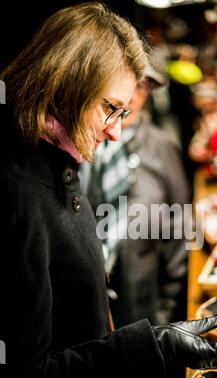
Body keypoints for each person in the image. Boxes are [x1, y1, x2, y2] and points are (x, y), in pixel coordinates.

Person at [0, 2, 217, 378]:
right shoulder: (20, 193)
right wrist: (154, 345)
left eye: (124, 112)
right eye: (110, 108)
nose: (117, 132)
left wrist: (158, 337)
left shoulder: (59, 159)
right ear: (67, 84)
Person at [80, 62, 189, 328]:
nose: (129, 97)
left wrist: (166, 313)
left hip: (142, 309)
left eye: (141, 85)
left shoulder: (161, 149)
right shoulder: (78, 142)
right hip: (84, 311)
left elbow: (181, 230)